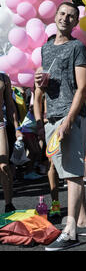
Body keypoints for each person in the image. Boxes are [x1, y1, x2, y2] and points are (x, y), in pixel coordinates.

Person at [34, 2, 86, 251]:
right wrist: (40, 82)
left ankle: (70, 232)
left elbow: (82, 87)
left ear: (75, 23)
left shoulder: (77, 47)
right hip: (51, 118)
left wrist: (69, 119)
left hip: (70, 117)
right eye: (62, 14)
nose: (65, 19)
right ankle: (81, 223)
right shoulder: (45, 48)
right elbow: (42, 86)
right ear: (55, 16)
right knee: (66, 174)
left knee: (73, 173)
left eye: (71, 16)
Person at [0, 72, 22, 213]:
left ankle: (9, 205)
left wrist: (16, 128)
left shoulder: (3, 78)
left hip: (0, 124)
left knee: (4, 166)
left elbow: (10, 105)